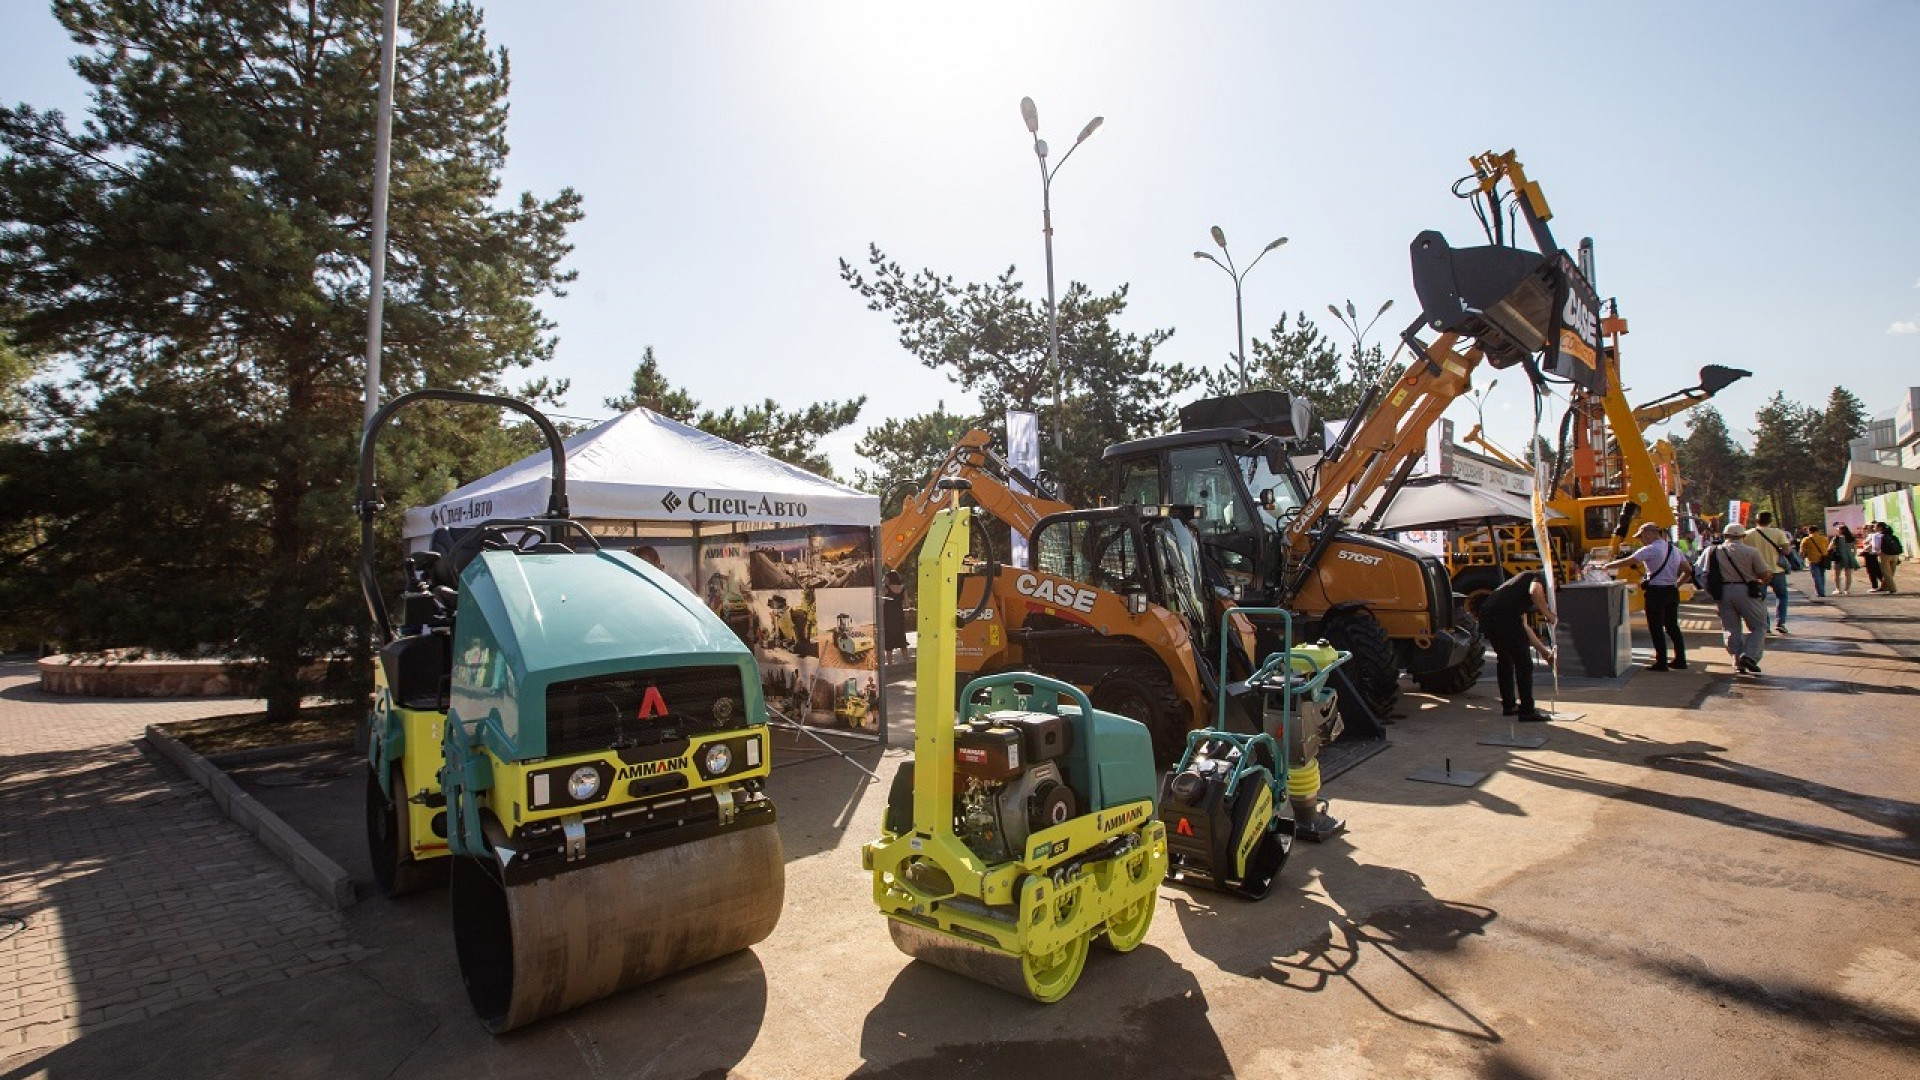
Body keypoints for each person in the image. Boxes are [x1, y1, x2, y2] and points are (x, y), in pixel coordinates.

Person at [1604, 521, 1689, 671]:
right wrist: (1677, 584)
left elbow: (1628, 561)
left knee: (1656, 627)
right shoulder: (1675, 550)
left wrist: (1607, 566)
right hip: (1671, 591)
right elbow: (1688, 571)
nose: (1641, 540)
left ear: (1648, 534)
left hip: (1656, 592)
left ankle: (1661, 662)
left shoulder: (1650, 549)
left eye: (1641, 536)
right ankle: (1680, 660)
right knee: (1672, 627)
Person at [1476, 569, 1558, 722]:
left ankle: (1509, 705)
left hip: (1488, 616)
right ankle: (1527, 710)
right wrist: (1548, 614)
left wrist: (1545, 654)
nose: (1545, 598)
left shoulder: (1517, 589)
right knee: (1524, 664)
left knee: (1505, 659)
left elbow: (1525, 628)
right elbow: (1535, 591)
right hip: (1503, 618)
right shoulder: (1540, 577)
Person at [1705, 523, 1774, 675]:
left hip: (1723, 592)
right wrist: (1767, 577)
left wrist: (1712, 593)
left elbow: (1701, 572)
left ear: (1725, 535)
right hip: (1746, 591)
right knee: (1759, 626)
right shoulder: (1751, 552)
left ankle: (1736, 661)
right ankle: (1750, 656)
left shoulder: (1712, 551)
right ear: (1743, 536)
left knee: (1731, 628)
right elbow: (1763, 574)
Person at [1743, 511, 1794, 633]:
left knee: (1760, 599)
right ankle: (1780, 622)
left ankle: (1765, 625)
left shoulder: (1747, 534)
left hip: (1757, 572)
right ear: (1770, 521)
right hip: (1777, 570)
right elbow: (1787, 551)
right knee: (1782, 596)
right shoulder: (1778, 533)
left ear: (1756, 521)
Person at [881, 570, 909, 663]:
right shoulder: (903, 588)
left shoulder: (886, 588)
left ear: (890, 579)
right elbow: (907, 604)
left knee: (889, 637)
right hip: (899, 615)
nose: (885, 580)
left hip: (888, 616)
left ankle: (890, 662)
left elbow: (882, 602)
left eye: (886, 578)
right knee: (901, 636)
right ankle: (906, 660)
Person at [1797, 525, 1831, 598]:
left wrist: (1801, 559)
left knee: (1816, 576)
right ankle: (1821, 590)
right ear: (1817, 530)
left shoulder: (1806, 539)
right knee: (1822, 575)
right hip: (1823, 559)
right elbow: (1827, 548)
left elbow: (1802, 551)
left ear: (1809, 531)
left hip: (1812, 559)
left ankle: (1820, 592)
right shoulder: (1824, 538)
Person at [1875, 521, 1904, 593]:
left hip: (1884, 556)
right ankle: (1884, 587)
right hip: (1895, 556)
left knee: (1887, 574)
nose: (1874, 528)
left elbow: (1876, 547)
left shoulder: (1878, 536)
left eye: (1875, 526)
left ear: (1879, 527)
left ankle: (1893, 589)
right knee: (1891, 573)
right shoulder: (1892, 536)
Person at [1831, 524, 1859, 595]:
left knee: (1837, 574)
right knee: (1848, 574)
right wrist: (1852, 556)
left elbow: (1830, 547)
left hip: (1839, 557)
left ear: (1841, 530)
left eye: (1838, 529)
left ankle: (1838, 589)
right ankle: (1847, 589)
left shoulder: (1836, 538)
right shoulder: (1852, 538)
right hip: (1849, 557)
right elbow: (1855, 550)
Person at [1861, 523, 1884, 592]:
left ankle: (1875, 586)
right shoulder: (1870, 535)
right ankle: (1881, 584)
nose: (1864, 530)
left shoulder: (1872, 535)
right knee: (1875, 570)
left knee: (1872, 570)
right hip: (1871, 554)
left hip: (1870, 554)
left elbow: (1870, 544)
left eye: (1866, 528)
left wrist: (1864, 550)